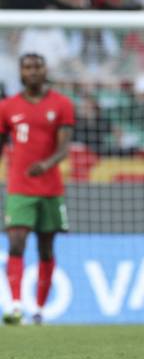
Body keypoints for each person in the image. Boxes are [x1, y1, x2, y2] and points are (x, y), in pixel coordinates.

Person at [0, 53, 75, 325]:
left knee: (45, 248)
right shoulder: (7, 107)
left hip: (50, 188)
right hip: (19, 187)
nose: (32, 72)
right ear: (20, 72)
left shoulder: (62, 104)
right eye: (27, 67)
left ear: (45, 70)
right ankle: (16, 305)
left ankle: (40, 310)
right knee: (16, 242)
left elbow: (64, 147)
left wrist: (45, 164)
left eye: (37, 67)